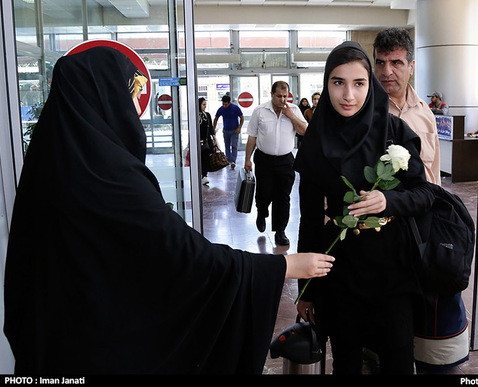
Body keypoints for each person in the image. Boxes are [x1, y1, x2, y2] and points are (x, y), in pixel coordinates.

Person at [3, 46, 335, 375]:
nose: (135, 108)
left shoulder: (49, 167)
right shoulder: (109, 175)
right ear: (105, 97)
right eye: (131, 94)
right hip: (95, 348)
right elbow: (182, 255)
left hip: (50, 345)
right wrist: (283, 266)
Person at [294, 41, 434, 374]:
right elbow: (310, 220)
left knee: (398, 359)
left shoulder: (394, 130)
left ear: (370, 85)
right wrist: (306, 289)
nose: (348, 95)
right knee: (346, 361)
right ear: (326, 84)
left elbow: (425, 194)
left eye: (359, 83)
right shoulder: (316, 141)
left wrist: (389, 200)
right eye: (338, 82)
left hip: (393, 271)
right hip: (341, 272)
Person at [373, 27, 441, 185]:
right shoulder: (364, 112)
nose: (387, 71)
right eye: (381, 63)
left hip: (423, 204)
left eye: (396, 63)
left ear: (411, 67)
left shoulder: (424, 113)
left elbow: (434, 170)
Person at [245, 81, 307, 246]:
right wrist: (247, 159)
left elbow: (305, 131)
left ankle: (280, 231)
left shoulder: (293, 110)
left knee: (283, 197)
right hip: (264, 159)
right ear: (272, 94)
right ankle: (261, 211)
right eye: (279, 96)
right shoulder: (260, 111)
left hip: (285, 161)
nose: (282, 99)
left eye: (285, 96)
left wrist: (291, 116)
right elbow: (252, 136)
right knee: (265, 192)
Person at [213, 95, 244, 168]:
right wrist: (213, 129)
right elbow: (216, 119)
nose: (224, 106)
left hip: (234, 130)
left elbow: (242, 118)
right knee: (227, 146)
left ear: (229, 102)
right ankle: (228, 160)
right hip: (226, 130)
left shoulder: (235, 108)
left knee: (234, 145)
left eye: (226, 104)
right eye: (223, 104)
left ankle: (233, 161)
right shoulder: (221, 109)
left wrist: (239, 128)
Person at [198, 97, 216, 185]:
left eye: (205, 105)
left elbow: (211, 128)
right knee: (199, 159)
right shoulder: (196, 115)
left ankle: (204, 175)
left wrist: (214, 139)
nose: (205, 106)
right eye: (203, 104)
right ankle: (200, 175)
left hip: (207, 142)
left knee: (205, 159)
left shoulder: (207, 115)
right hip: (198, 141)